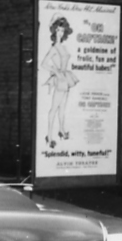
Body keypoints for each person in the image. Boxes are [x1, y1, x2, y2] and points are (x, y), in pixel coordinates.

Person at [42, 15, 78, 149]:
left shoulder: (63, 47)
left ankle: (61, 131)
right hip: (60, 80)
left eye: (62, 31)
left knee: (62, 108)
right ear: (54, 31)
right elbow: (44, 64)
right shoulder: (54, 48)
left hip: (65, 78)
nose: (60, 33)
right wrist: (56, 72)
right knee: (54, 108)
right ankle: (49, 137)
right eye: (58, 30)